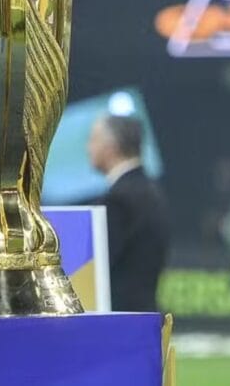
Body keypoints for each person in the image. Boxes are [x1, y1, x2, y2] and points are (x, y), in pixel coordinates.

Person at [87, 114, 170, 312]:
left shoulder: (119, 200)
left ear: (111, 147)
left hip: (120, 318)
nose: (88, 147)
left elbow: (100, 268)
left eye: (93, 139)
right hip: (144, 314)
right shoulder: (151, 191)